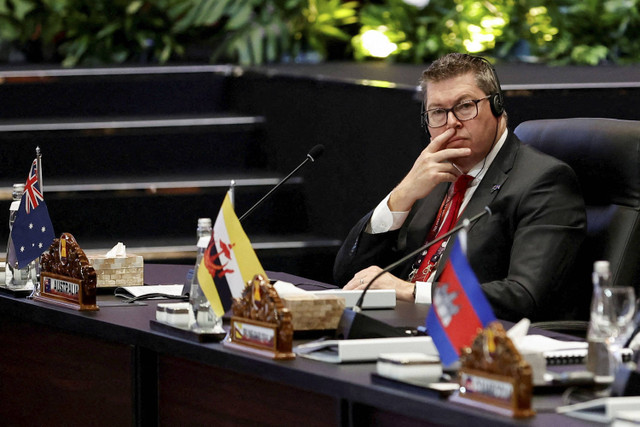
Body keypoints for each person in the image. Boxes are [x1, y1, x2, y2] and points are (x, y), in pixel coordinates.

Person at [333, 53, 586, 322]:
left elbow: (524, 295)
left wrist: (412, 291)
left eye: (465, 106)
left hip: (480, 343)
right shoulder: (431, 176)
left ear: (497, 106)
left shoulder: (545, 181)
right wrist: (402, 194)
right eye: (438, 112)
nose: (451, 122)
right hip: (402, 327)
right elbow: (348, 273)